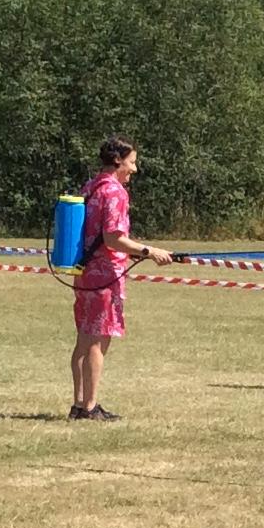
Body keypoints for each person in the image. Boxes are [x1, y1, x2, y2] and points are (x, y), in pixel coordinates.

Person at [71, 137, 174, 422]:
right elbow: (113, 238)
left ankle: (78, 404)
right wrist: (150, 251)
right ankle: (90, 407)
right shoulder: (115, 192)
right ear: (118, 161)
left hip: (84, 272)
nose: (135, 169)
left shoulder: (91, 186)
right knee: (97, 341)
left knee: (83, 340)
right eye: (132, 162)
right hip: (105, 277)